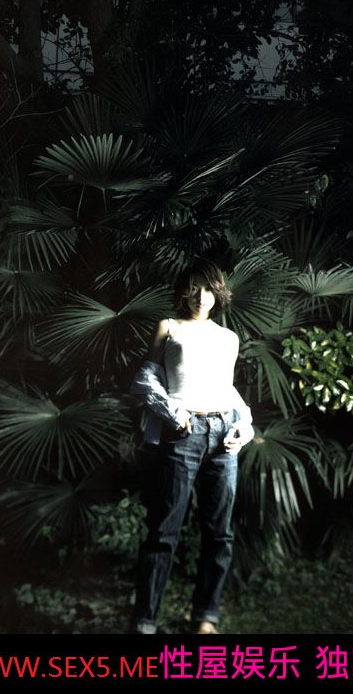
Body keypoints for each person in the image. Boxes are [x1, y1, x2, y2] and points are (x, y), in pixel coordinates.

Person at [129, 259, 254, 634]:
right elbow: (146, 378)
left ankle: (205, 616)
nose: (202, 296)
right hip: (184, 433)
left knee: (220, 532)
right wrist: (173, 413)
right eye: (194, 288)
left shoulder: (229, 338)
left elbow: (227, 390)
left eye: (209, 289)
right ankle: (145, 622)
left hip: (224, 435)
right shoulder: (168, 327)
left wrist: (244, 425)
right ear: (184, 291)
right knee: (164, 530)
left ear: (219, 293)